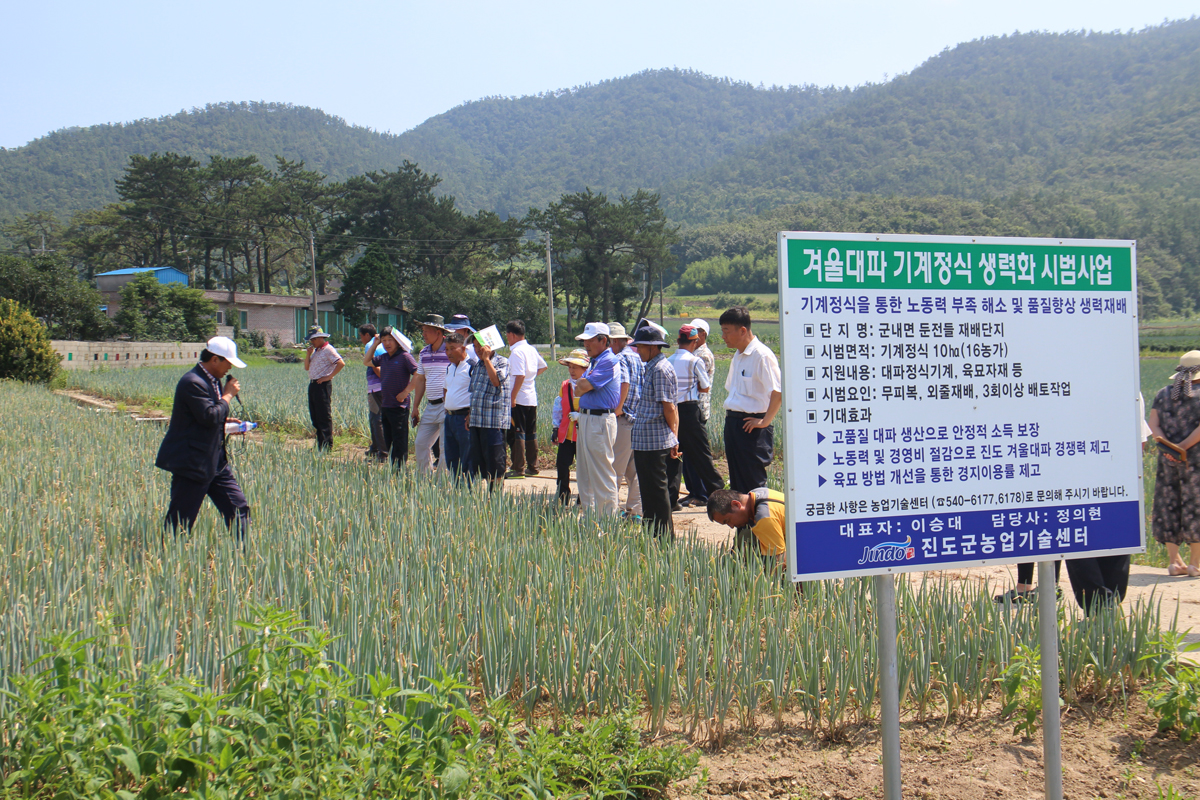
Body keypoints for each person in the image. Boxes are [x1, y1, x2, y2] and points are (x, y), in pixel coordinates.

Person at [156, 336, 251, 540]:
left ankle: (244, 555)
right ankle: (171, 559)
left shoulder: (211, 380)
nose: (229, 369)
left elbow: (209, 416)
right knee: (181, 520)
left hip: (215, 463)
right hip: (193, 463)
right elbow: (208, 416)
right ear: (215, 359)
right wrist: (227, 396)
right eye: (228, 363)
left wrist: (227, 423)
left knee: (238, 507)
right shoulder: (192, 382)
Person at [1148, 350, 1200, 577]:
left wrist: (1169, 448)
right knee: (1194, 508)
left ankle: (1173, 562)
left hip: (1167, 459)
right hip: (1195, 461)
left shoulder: (1164, 393)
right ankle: (1195, 564)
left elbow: (1153, 425)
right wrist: (1183, 448)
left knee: (1169, 506)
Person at [720, 306, 781, 493]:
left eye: (726, 331)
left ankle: (760, 521)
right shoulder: (738, 355)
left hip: (752, 428)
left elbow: (778, 392)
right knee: (738, 483)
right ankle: (743, 523)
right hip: (734, 424)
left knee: (753, 483)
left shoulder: (761, 355)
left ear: (743, 330)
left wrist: (765, 422)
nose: (723, 336)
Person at [630, 325, 679, 538]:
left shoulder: (660, 369)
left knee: (657, 493)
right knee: (648, 492)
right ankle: (651, 533)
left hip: (655, 441)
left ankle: (664, 537)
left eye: (640, 346)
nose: (637, 350)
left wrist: (674, 438)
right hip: (644, 440)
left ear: (652, 347)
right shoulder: (651, 367)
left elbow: (669, 407)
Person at [668, 324, 724, 509]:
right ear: (694, 341)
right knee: (701, 455)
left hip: (672, 411)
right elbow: (705, 386)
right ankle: (718, 493)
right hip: (690, 410)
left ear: (678, 341)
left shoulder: (668, 360)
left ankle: (671, 498)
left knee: (674, 455)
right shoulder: (694, 361)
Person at [573, 322, 621, 515]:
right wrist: (582, 384)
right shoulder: (595, 360)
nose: (586, 345)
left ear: (603, 340)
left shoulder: (608, 361)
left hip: (599, 420)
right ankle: (591, 518)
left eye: (590, 341)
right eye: (584, 341)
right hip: (587, 419)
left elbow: (582, 386)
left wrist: (583, 384)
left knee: (601, 473)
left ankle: (608, 519)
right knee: (584, 473)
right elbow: (579, 386)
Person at [365, 326, 418, 468]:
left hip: (399, 406)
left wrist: (406, 392)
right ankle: (392, 466)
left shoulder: (405, 356)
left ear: (398, 341)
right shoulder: (383, 357)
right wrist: (375, 343)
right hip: (386, 405)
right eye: (384, 340)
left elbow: (418, 375)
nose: (387, 343)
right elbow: (366, 361)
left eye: (390, 340)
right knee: (388, 439)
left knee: (399, 439)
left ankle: (400, 468)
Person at [467, 331, 511, 490]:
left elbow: (496, 381)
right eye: (475, 346)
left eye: (481, 346)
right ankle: (484, 493)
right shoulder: (476, 365)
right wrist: (469, 415)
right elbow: (474, 392)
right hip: (477, 421)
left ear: (490, 346)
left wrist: (486, 360)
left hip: (493, 422)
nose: (478, 350)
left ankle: (496, 496)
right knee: (479, 461)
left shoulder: (502, 362)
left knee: (495, 461)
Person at [608, 322, 643, 519]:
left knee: (614, 469)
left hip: (623, 418)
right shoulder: (636, 357)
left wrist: (618, 408)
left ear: (613, 341)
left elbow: (625, 382)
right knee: (634, 470)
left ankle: (610, 510)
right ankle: (635, 510)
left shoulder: (619, 358)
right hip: (637, 419)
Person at [410, 314, 453, 473]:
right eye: (423, 330)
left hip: (446, 405)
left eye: (427, 331)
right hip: (431, 405)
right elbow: (420, 380)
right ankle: (424, 479)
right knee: (421, 443)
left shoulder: (450, 352)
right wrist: (415, 406)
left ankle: (443, 483)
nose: (424, 334)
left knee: (444, 447)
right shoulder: (424, 353)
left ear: (439, 333)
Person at [505, 319, 547, 478]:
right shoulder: (530, 349)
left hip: (520, 399)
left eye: (507, 335)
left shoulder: (516, 352)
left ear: (512, 334)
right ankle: (533, 466)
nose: (507, 339)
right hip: (531, 397)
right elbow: (543, 366)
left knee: (518, 433)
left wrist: (512, 397)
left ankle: (518, 468)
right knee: (531, 433)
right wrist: (531, 378)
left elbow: (520, 375)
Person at [706, 488, 786, 569]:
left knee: (746, 538)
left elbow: (781, 561)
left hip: (797, 550)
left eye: (728, 520)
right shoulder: (757, 493)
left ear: (736, 504)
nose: (731, 526)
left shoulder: (764, 518)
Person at [551, 349, 590, 504]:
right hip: (567, 433)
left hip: (584, 434)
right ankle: (562, 495)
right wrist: (555, 428)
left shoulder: (589, 386)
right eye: (570, 366)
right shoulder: (565, 386)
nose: (572, 370)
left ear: (585, 368)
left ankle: (583, 498)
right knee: (562, 465)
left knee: (583, 469)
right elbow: (558, 407)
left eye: (575, 367)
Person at [441, 330, 474, 478]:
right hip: (450, 418)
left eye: (452, 348)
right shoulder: (450, 367)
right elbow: (446, 389)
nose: (448, 352)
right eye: (446, 349)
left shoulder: (472, 367)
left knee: (467, 456)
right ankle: (456, 487)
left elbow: (477, 394)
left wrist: (470, 414)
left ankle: (468, 488)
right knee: (451, 456)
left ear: (463, 348)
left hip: (464, 418)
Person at [304, 327, 344, 451]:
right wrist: (308, 354)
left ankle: (326, 445)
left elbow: (341, 363)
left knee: (323, 415)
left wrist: (329, 376)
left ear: (321, 338)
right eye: (311, 340)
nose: (312, 342)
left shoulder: (328, 349)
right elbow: (307, 367)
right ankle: (320, 443)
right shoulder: (316, 351)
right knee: (315, 415)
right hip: (313, 384)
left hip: (322, 385)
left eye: (314, 339)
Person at [360, 324, 387, 462]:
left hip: (376, 388)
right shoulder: (382, 345)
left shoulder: (370, 345)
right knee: (375, 417)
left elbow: (376, 366)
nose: (361, 339)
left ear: (367, 335)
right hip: (380, 387)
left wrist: (384, 379)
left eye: (361, 336)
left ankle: (382, 452)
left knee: (376, 419)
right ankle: (375, 447)